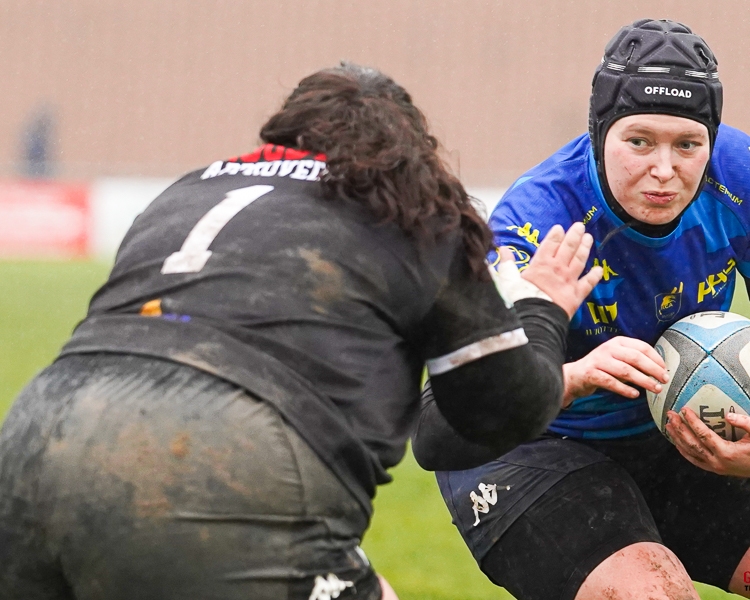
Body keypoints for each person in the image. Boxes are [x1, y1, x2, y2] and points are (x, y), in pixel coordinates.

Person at [0, 63, 604, 600]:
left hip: (33, 434)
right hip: (220, 455)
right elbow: (502, 411)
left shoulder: (186, 189)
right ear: (409, 150)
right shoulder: (414, 206)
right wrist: (542, 310)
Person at [412, 19, 750, 600]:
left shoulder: (746, 180)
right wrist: (570, 377)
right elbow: (439, 431)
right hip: (533, 454)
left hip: (682, 436)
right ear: (599, 133)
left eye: (687, 144)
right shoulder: (536, 225)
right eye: (638, 141)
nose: (664, 170)